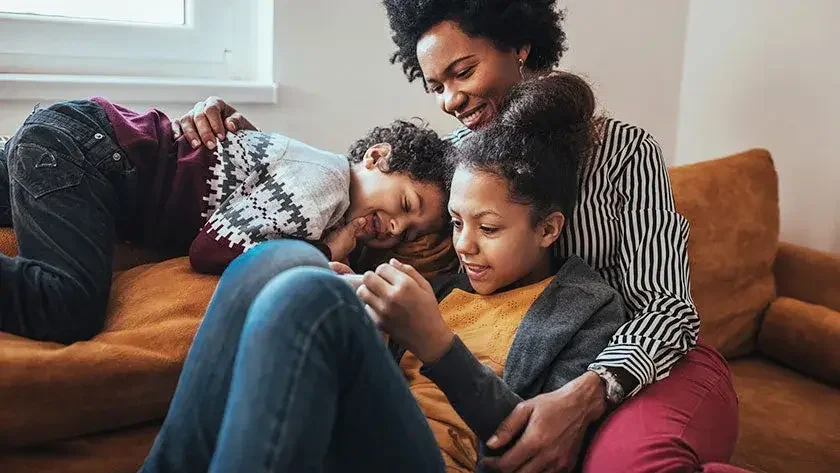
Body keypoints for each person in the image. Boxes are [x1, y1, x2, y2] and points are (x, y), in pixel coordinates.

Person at [176, 1, 742, 471]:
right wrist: (252, 146)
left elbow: (669, 307)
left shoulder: (622, 158)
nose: (449, 99)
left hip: (580, 374)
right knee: (273, 266)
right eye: (436, 85)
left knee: (306, 297)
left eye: (463, 72)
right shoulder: (456, 159)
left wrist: (586, 394)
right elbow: (359, 191)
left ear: (519, 45)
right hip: (417, 387)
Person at [141, 73, 625, 473]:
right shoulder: (440, 280)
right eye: (456, 222)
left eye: (490, 227)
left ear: (548, 228)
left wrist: (437, 344)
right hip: (350, 442)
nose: (464, 244)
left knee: (310, 293)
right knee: (273, 263)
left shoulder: (587, 308)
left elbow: (534, 448)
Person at [0, 98, 452, 344]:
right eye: (406, 204)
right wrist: (326, 252)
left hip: (74, 137)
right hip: (91, 154)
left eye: (410, 233)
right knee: (67, 306)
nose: (396, 228)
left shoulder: (311, 173)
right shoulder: (327, 183)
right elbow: (214, 248)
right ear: (376, 157)